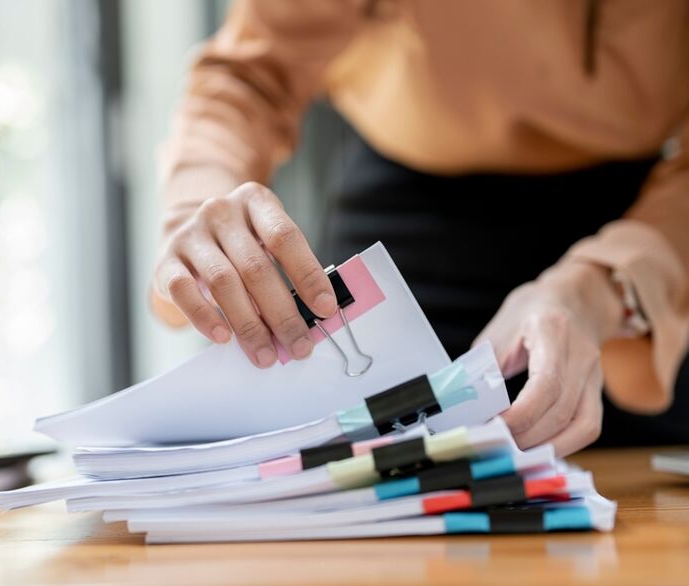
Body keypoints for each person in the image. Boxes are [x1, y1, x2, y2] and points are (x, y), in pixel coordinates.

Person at [149, 0, 689, 456]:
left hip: (650, 234)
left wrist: (605, 288)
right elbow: (252, 73)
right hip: (403, 230)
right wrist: (198, 203)